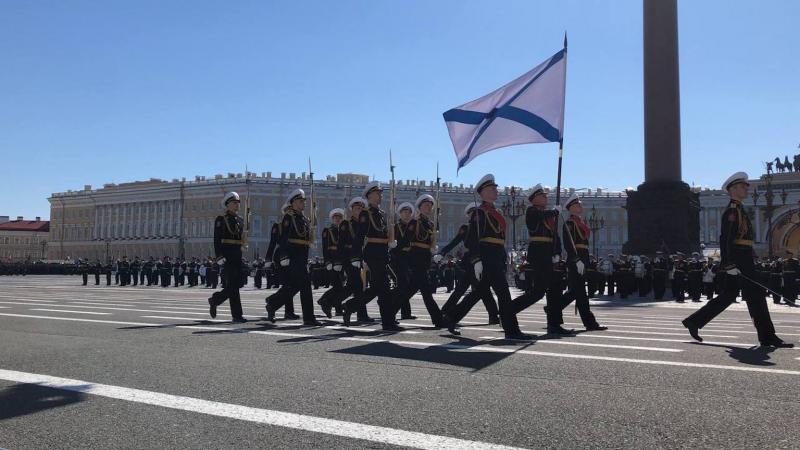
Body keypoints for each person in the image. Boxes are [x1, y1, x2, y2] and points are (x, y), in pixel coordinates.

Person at [682, 172, 792, 347]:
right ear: (733, 190)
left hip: (743, 256)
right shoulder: (733, 211)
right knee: (755, 295)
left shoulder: (739, 209)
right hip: (738, 259)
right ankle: (767, 337)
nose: (746, 188)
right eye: (742, 186)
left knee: (728, 295)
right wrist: (730, 264)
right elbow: (726, 239)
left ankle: (694, 321)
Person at [464, 174, 528, 340]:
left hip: (497, 255)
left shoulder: (495, 212)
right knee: (503, 292)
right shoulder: (480, 213)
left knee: (479, 291)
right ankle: (511, 330)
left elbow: (499, 238)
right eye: (491, 189)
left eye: (495, 188)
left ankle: (451, 317)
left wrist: (503, 256)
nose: (495, 191)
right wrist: (476, 260)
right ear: (482, 192)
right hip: (486, 255)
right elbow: (471, 239)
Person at [509, 184, 570, 334]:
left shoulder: (549, 216)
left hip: (549, 253)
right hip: (538, 253)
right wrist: (554, 212)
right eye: (542, 195)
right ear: (534, 198)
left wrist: (557, 252)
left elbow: (555, 236)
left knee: (555, 289)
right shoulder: (532, 211)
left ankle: (554, 324)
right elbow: (538, 218)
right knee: (538, 292)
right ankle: (508, 310)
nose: (545, 197)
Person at [394, 194, 458, 334]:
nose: (429, 208)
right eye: (426, 205)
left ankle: (389, 312)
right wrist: (395, 253)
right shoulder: (414, 222)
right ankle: (437, 318)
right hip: (415, 260)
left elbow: (429, 242)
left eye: (430, 206)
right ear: (419, 207)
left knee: (411, 290)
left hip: (424, 260)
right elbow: (405, 241)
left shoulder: (430, 224)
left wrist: (433, 250)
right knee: (426, 292)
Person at [342, 182, 400, 331]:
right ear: (369, 196)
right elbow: (359, 237)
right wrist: (356, 256)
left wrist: (391, 242)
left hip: (382, 253)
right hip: (372, 253)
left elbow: (384, 232)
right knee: (385, 288)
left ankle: (350, 306)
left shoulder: (382, 214)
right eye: (377, 194)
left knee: (376, 289)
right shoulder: (365, 214)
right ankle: (388, 322)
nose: (380, 196)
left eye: (381, 193)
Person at [265, 189, 321, 326]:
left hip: (301, 255)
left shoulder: (303, 219)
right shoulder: (288, 217)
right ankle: (309, 318)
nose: (303, 204)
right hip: (293, 255)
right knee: (305, 285)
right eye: (300, 201)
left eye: (303, 201)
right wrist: (284, 255)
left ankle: (273, 303)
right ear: (293, 203)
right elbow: (284, 238)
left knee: (295, 286)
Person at [439, 202, 500, 325]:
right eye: (472, 213)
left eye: (476, 212)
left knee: (467, 289)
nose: (475, 215)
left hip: (482, 262)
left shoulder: (484, 227)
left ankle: (446, 311)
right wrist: (442, 252)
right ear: (468, 215)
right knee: (482, 290)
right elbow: (454, 242)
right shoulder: (466, 228)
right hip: (471, 262)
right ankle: (493, 315)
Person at [558, 194, 607, 331]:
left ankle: (552, 308)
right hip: (576, 260)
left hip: (583, 259)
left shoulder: (580, 223)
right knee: (581, 294)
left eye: (580, 204)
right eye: (577, 204)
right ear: (571, 208)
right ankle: (590, 323)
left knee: (576, 291)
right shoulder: (569, 224)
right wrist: (577, 260)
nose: (581, 206)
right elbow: (569, 244)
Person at [207, 191, 247, 323]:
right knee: (233, 285)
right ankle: (237, 315)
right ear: (227, 204)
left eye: (237, 203)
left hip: (237, 255)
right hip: (227, 255)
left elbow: (242, 238)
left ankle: (215, 300)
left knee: (238, 283)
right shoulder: (221, 219)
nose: (236, 205)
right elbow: (216, 239)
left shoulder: (241, 220)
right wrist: (219, 256)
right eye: (234, 203)